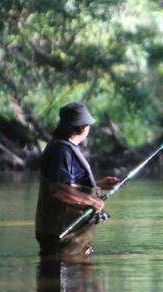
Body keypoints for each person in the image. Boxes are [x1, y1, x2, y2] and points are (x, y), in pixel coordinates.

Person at [35, 102, 119, 259]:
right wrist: (94, 202)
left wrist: (98, 185)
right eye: (88, 124)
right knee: (67, 277)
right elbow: (58, 189)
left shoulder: (63, 147)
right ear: (82, 127)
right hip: (63, 244)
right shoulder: (61, 151)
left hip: (72, 243)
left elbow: (68, 184)